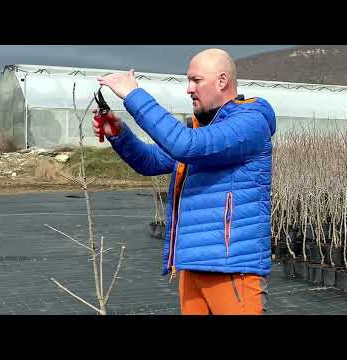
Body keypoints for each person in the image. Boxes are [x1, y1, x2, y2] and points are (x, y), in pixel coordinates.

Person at [93, 48, 276, 315]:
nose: (188, 89)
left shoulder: (249, 124)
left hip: (232, 270)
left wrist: (133, 95)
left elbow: (185, 146)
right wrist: (119, 133)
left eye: (196, 80)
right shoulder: (200, 131)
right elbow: (151, 161)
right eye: (187, 81)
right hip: (192, 265)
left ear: (222, 81)